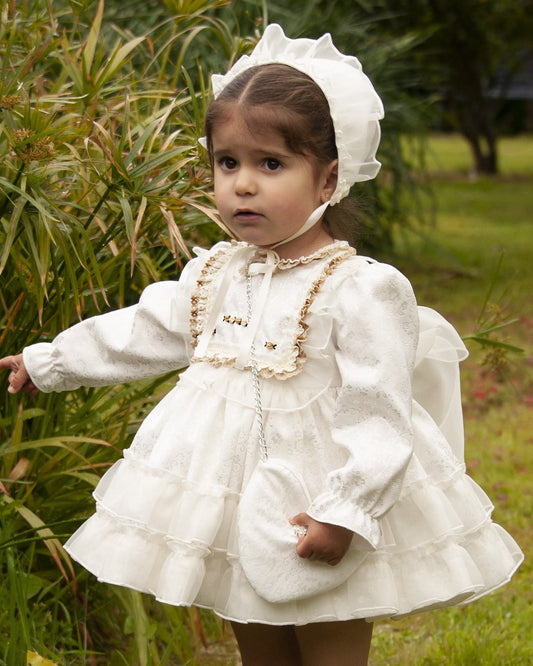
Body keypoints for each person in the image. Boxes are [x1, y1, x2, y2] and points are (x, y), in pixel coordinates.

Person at [0, 24, 523, 666]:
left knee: (330, 632)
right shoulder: (216, 275)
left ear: (328, 179)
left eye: (270, 164)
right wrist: (49, 360)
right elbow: (143, 329)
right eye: (228, 163)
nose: (243, 184)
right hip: (234, 493)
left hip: (320, 495)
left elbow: (379, 409)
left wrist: (346, 510)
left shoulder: (359, 289)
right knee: (255, 624)